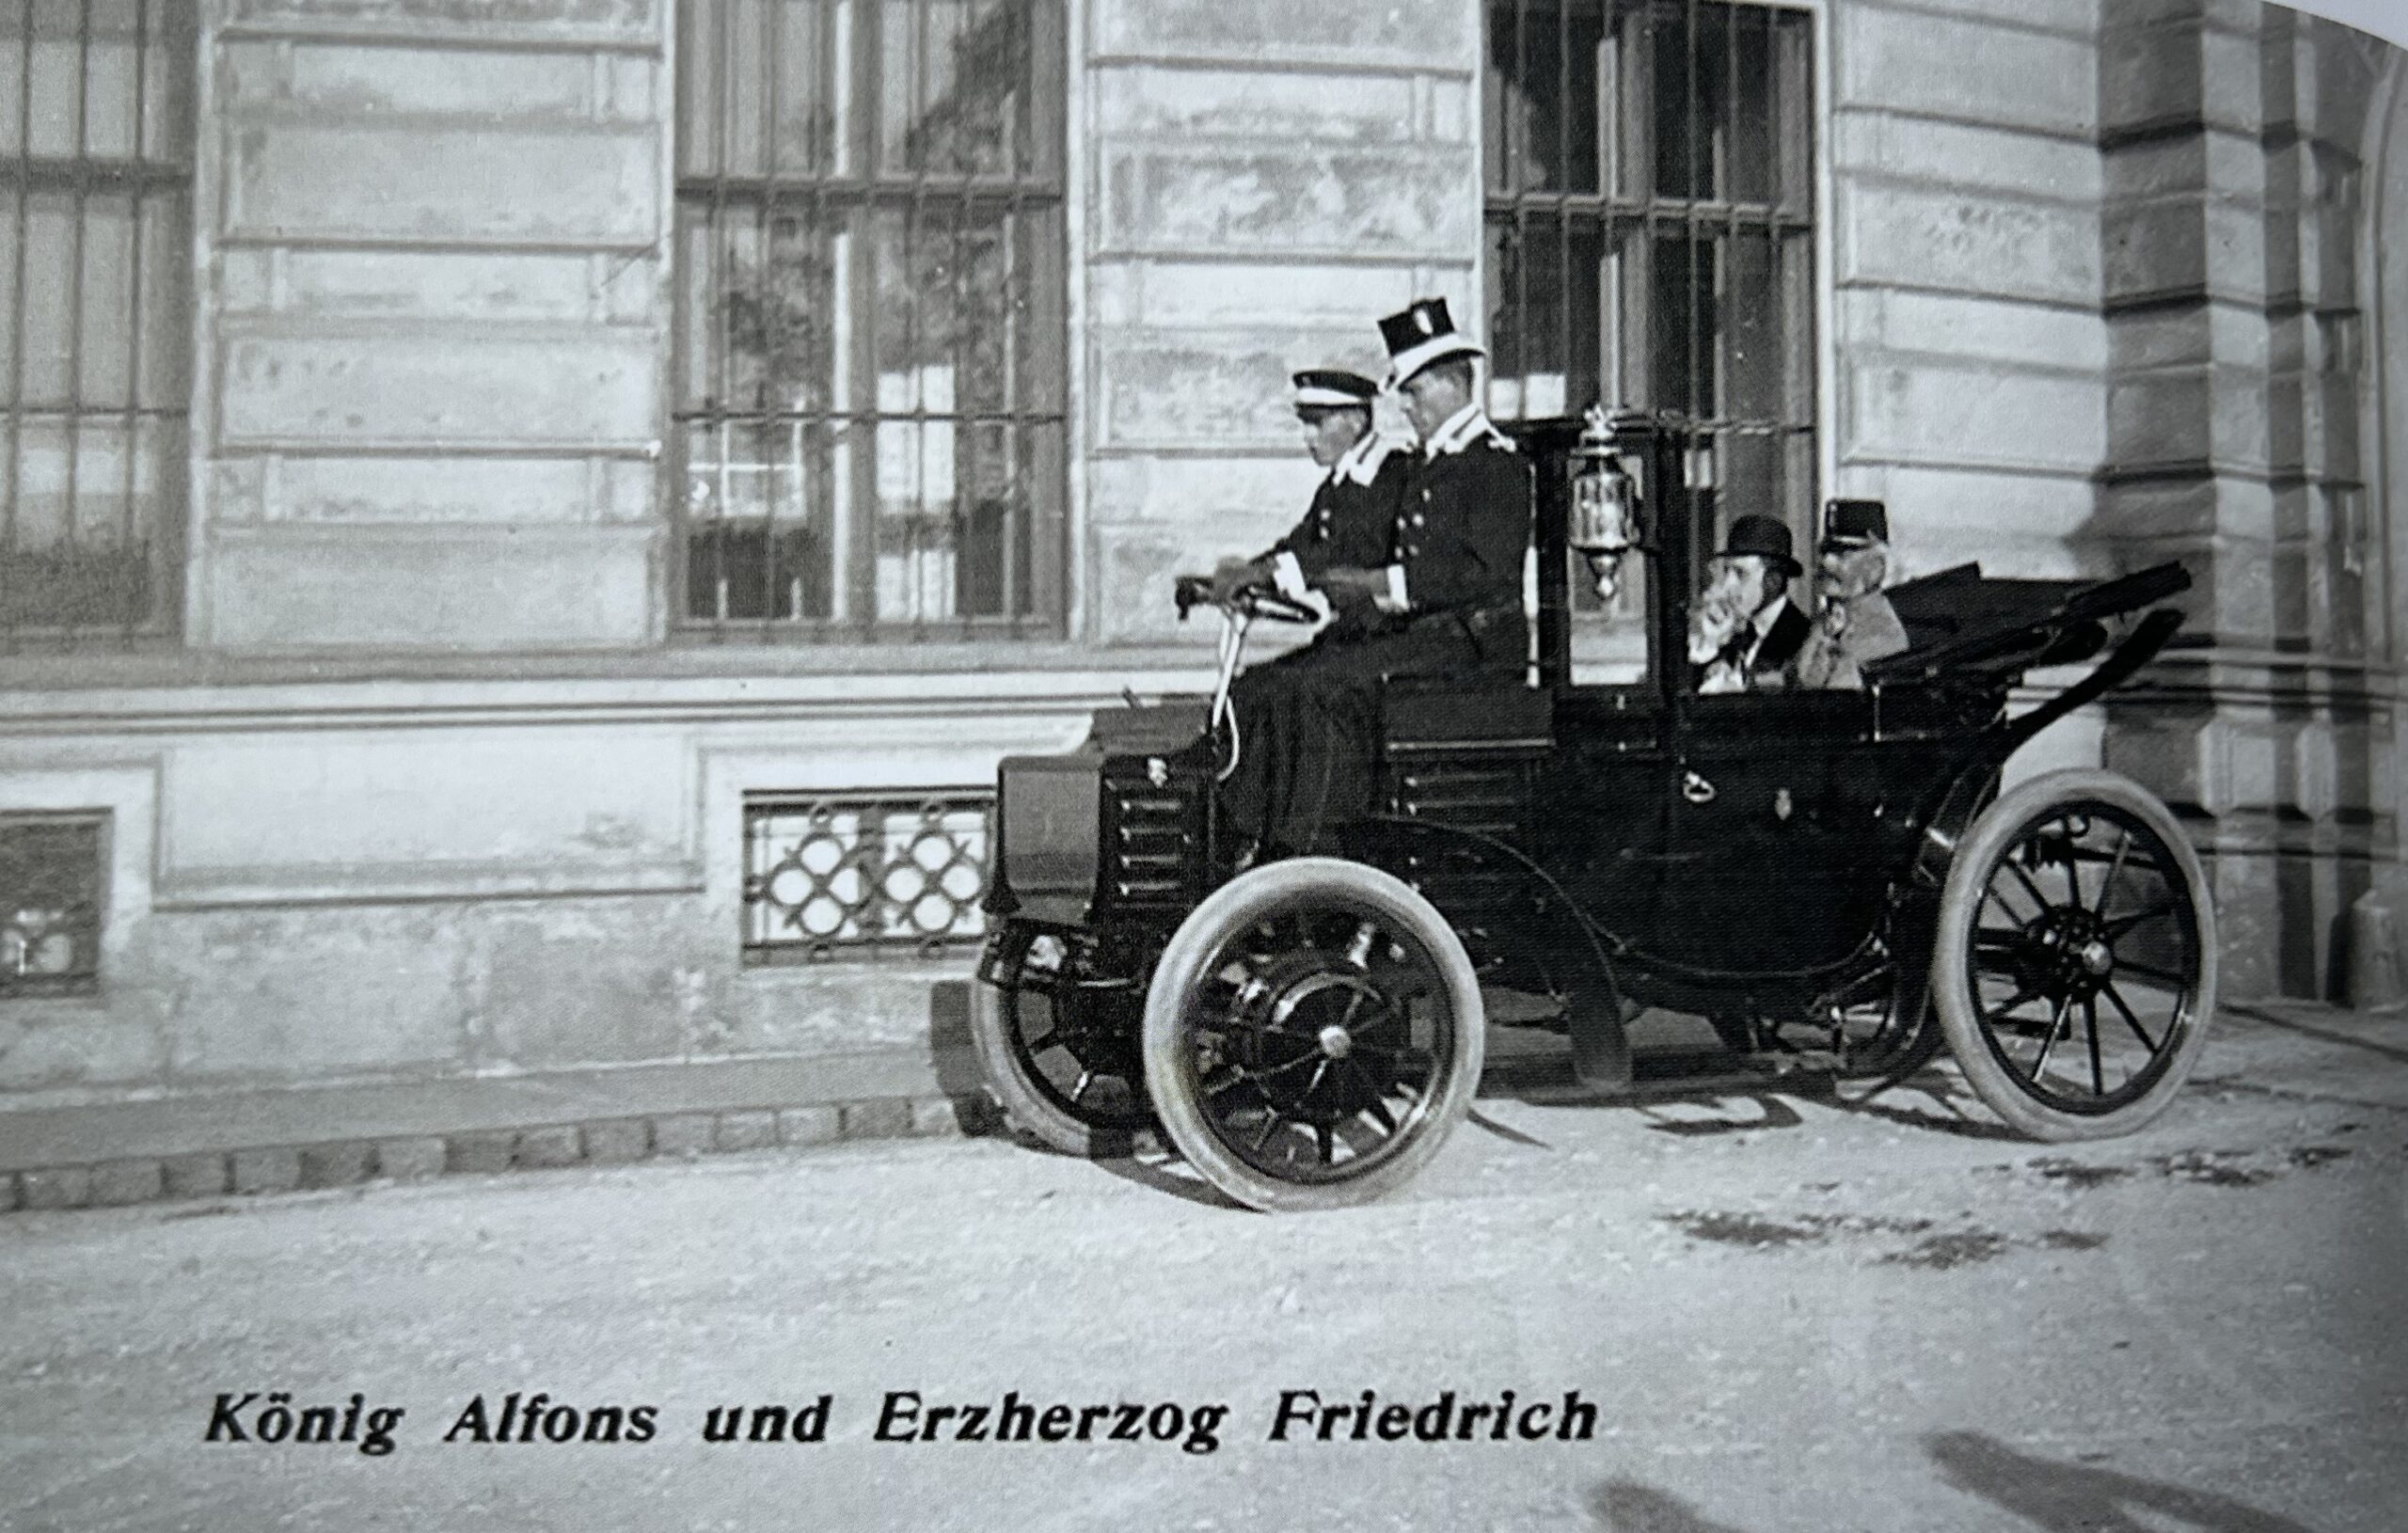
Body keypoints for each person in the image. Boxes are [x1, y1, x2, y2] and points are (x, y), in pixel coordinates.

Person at [1218, 299, 1533, 856]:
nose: (1406, 407)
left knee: (1324, 689)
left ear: (1450, 384)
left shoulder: (1496, 462)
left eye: (1412, 392)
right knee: (1282, 685)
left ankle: (1316, 852)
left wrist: (1384, 586)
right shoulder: (1427, 462)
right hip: (1426, 637)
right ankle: (1260, 841)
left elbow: (1486, 573)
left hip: (1474, 643)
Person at [1209, 369, 1409, 638]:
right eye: (1305, 423)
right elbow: (1301, 543)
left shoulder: (1391, 475)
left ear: (1357, 421)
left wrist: (1266, 573)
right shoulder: (1336, 486)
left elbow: (1349, 551)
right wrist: (1246, 571)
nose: (1308, 436)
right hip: (1352, 632)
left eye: (1318, 423)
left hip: (1391, 635)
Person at [1792, 498, 1910, 689]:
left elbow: (1840, 693)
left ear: (1875, 568)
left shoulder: (1884, 629)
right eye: (1825, 551)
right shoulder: (1822, 624)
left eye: (1843, 553)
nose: (1826, 562)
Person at [1687, 514, 1809, 693]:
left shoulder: (1801, 638)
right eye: (1727, 571)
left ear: (1772, 581)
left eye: (1740, 573)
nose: (1728, 585)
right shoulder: (1737, 633)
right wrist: (1710, 641)